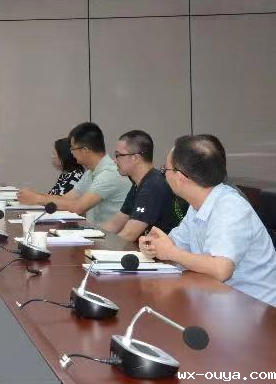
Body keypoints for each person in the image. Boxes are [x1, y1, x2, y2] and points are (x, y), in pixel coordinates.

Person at [140, 135, 276, 306]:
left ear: (181, 177)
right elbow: (175, 244)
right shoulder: (198, 204)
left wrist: (170, 252)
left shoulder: (230, 206)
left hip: (257, 310)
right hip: (218, 301)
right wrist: (154, 246)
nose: (164, 175)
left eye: (164, 169)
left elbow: (221, 269)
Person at [18, 122, 131, 225]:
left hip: (110, 237)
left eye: (73, 149)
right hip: (96, 234)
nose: (72, 153)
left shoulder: (109, 174)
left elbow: (77, 208)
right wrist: (36, 196)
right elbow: (68, 198)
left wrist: (37, 198)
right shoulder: (91, 171)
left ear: (85, 150)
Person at [100, 131, 179, 242]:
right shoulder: (139, 183)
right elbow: (115, 223)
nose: (114, 160)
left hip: (164, 251)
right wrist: (92, 239)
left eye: (118, 155)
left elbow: (128, 234)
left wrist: (97, 247)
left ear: (135, 158)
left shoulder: (153, 186)